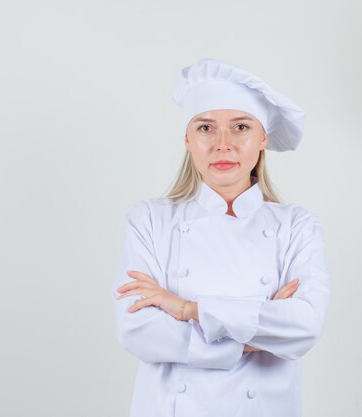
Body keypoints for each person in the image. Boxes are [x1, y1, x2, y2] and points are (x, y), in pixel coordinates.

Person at [111, 57, 331, 417]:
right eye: (206, 128)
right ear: (187, 138)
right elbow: (137, 330)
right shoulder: (149, 220)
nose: (223, 144)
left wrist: (187, 310)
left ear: (263, 138)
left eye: (241, 127)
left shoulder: (297, 226)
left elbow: (304, 325)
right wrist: (252, 337)